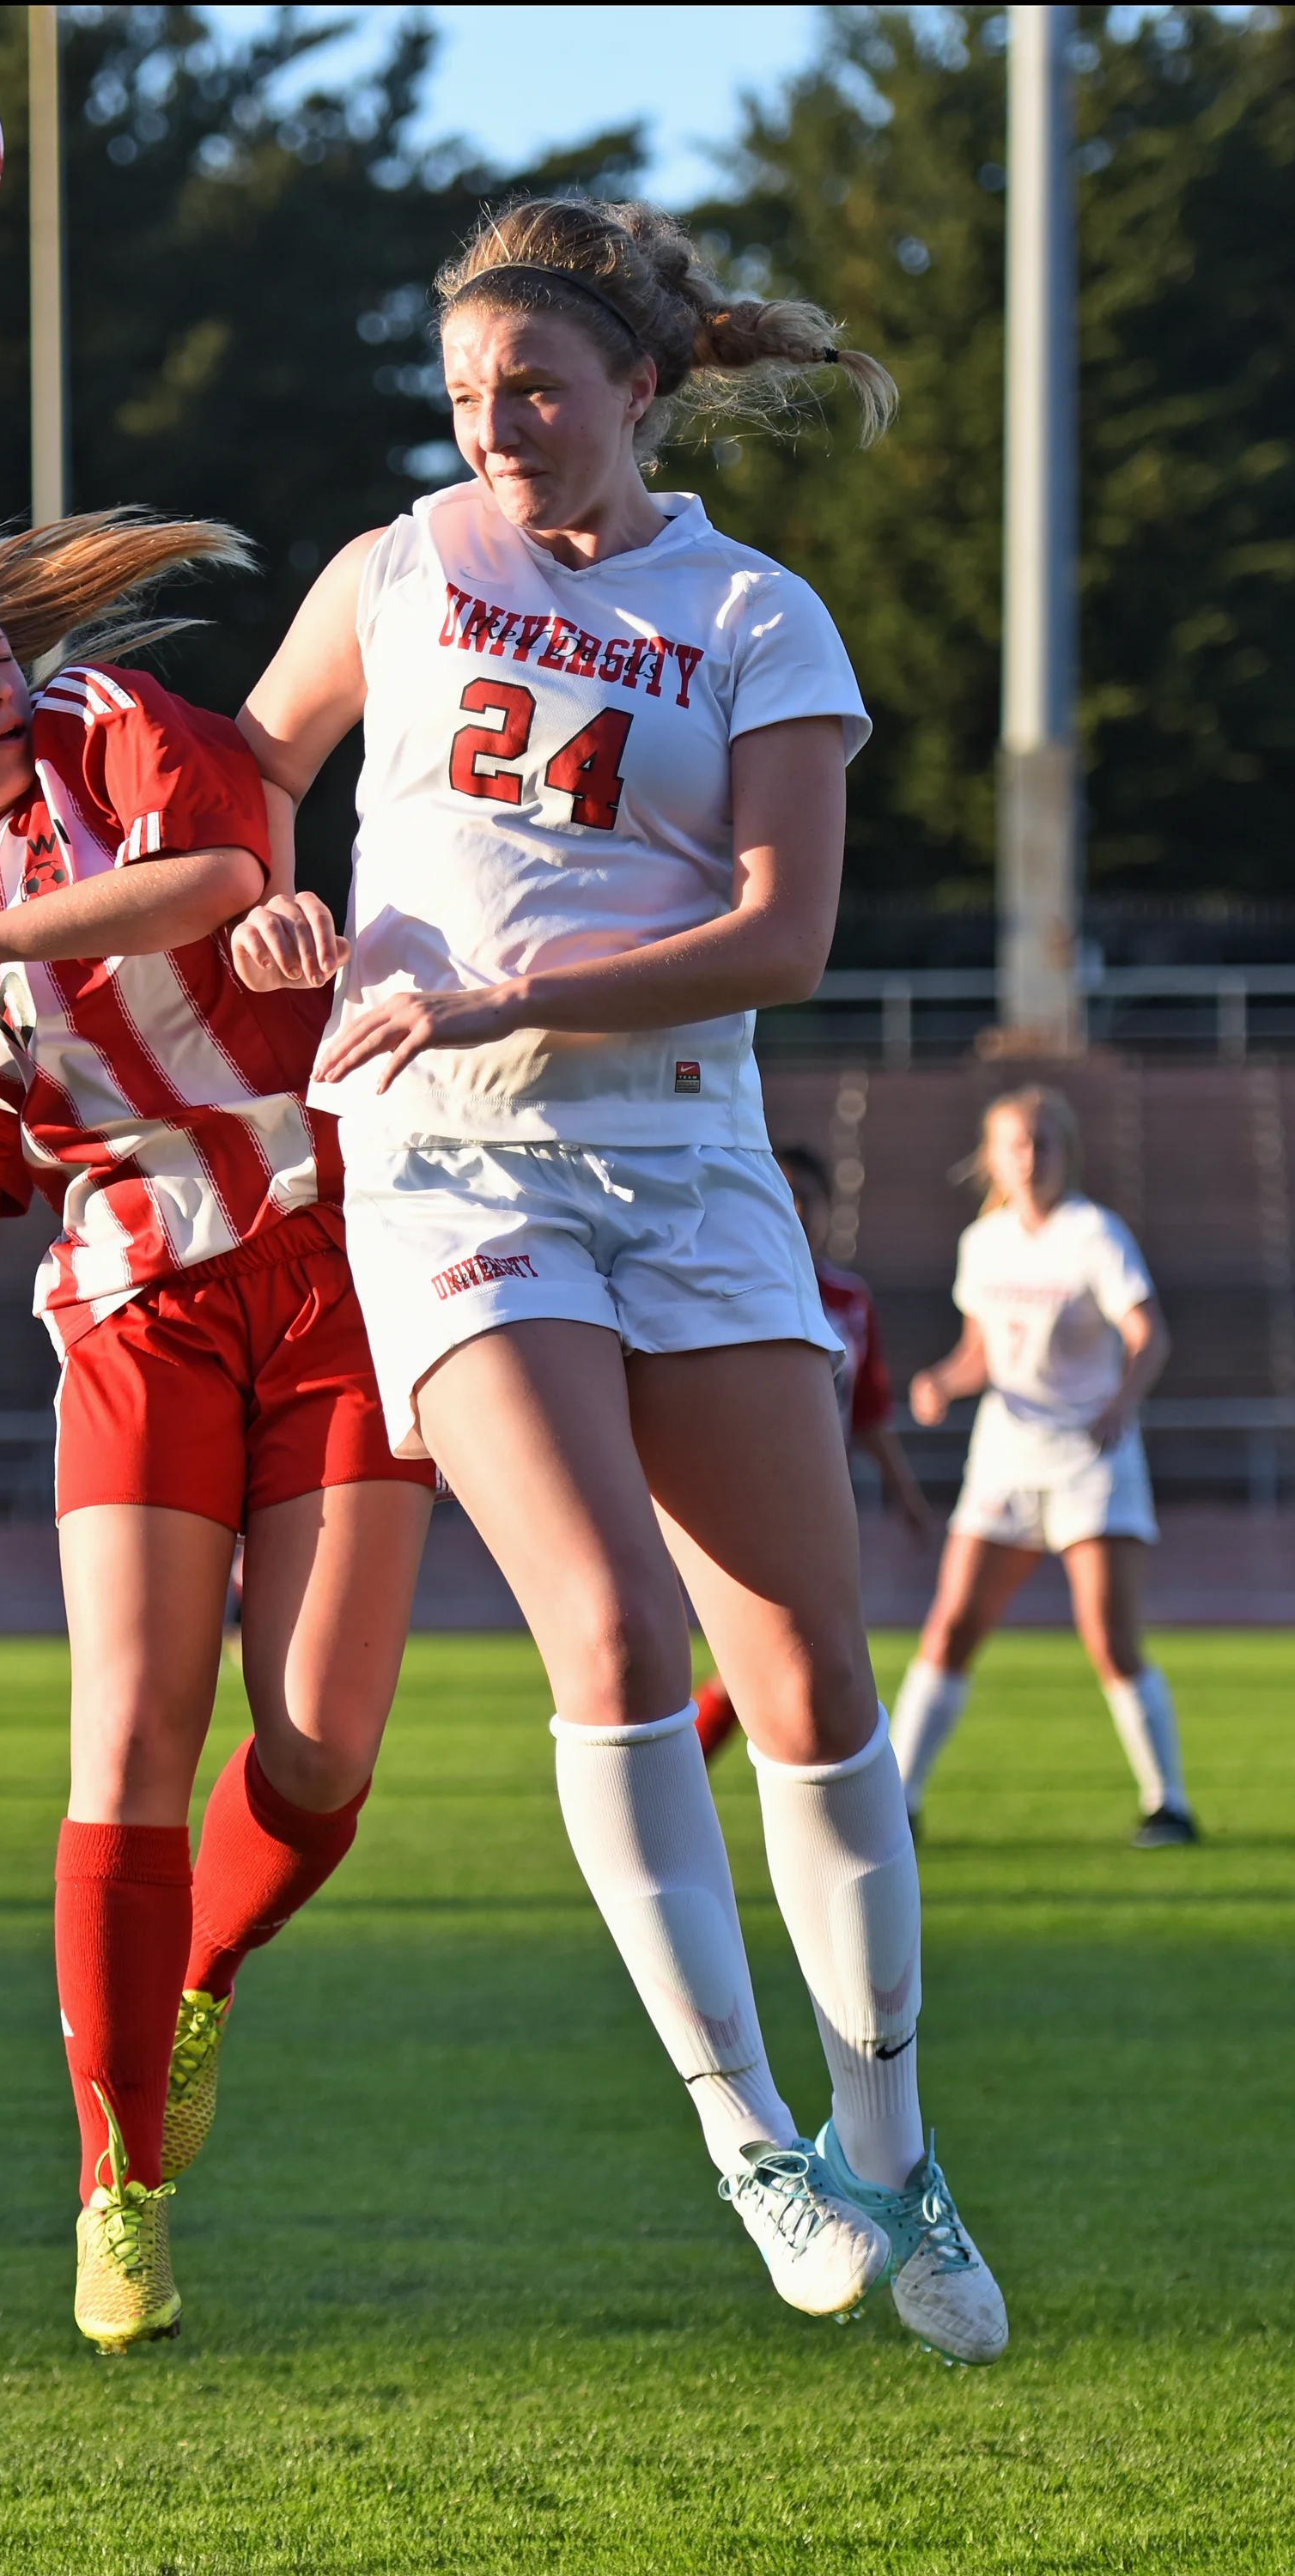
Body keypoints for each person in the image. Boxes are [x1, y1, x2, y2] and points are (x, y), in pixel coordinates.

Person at [231, 195, 1005, 2363]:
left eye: (535, 390)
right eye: (464, 394)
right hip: (444, 1157)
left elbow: (780, 938)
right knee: (607, 1625)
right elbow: (244, 768)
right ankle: (745, 2133)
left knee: (812, 1685)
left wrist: (512, 992)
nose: (493, 428)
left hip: (685, 1154)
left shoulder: (755, 614)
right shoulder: (394, 568)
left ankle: (890, 2146)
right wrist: (272, 904)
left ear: (640, 389)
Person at [0, 513, 437, 2354]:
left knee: (317, 1749)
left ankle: (202, 1971)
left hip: (331, 1254)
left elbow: (220, 875)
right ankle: (116, 2190)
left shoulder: (103, 727)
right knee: (135, 1726)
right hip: (140, 1303)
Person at [891, 1085, 1194, 1847]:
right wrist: (941, 1382)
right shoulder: (983, 1241)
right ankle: (895, 1802)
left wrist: (1122, 1401)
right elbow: (980, 1352)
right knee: (950, 1628)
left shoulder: (1094, 1233)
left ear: (1068, 1153)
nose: (1029, 1157)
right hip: (1005, 1456)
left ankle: (1169, 1806)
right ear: (991, 1158)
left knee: (1109, 1639)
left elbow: (1149, 1335)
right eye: (1015, 1145)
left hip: (1091, 1459)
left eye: (1042, 1143)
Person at [695, 1144, 933, 1760]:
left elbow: (871, 1410)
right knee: (790, 1655)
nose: (796, 1210)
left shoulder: (850, 1298)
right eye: (784, 1195)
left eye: (808, 1198)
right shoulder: (727, 1283)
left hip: (825, 1499)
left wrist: (906, 1496)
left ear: (829, 1210)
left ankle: (686, 1770)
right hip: (748, 1495)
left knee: (793, 1657)